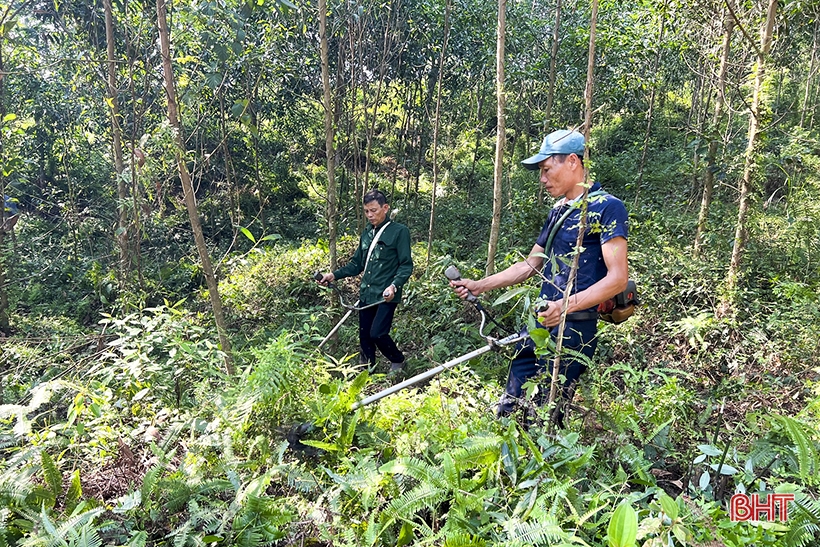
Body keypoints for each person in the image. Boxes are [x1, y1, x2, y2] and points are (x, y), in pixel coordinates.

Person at [450, 129, 629, 425]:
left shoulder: (606, 207)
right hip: (539, 324)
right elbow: (531, 264)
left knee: (545, 416)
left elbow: (617, 278)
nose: (542, 179)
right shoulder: (558, 211)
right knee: (510, 405)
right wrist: (480, 285)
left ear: (572, 161)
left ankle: (544, 468)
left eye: (547, 169)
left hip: (573, 330)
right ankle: (504, 466)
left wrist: (565, 307)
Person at [317, 189, 414, 372]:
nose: (370, 215)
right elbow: (357, 264)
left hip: (386, 295)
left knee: (377, 333)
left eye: (374, 210)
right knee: (365, 336)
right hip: (367, 294)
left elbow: (406, 265)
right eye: (366, 211)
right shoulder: (367, 233)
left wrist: (394, 286)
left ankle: (397, 359)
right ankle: (366, 371)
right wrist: (333, 275)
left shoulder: (399, 232)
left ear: (385, 208)